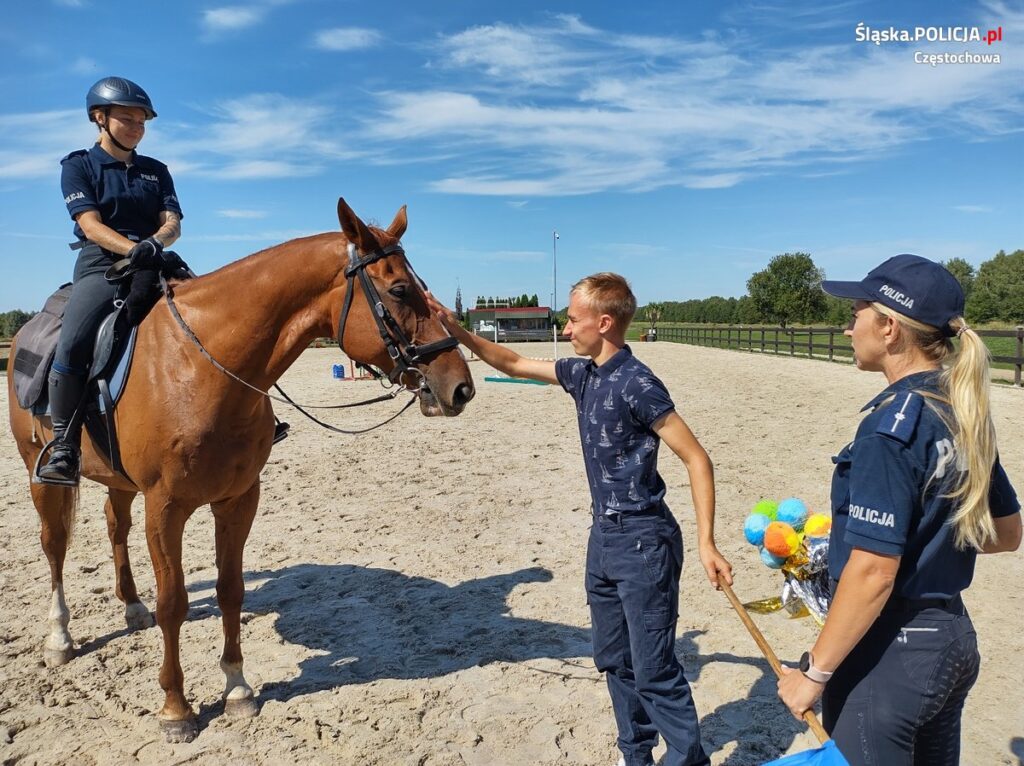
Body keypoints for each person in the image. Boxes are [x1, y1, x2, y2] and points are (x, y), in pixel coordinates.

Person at [429, 273, 732, 766]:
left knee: (654, 668)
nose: (565, 328)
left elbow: (697, 458)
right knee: (616, 660)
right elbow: (508, 360)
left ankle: (686, 760)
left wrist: (707, 543)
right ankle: (636, 755)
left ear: (605, 322)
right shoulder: (581, 374)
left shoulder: (639, 383)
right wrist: (453, 326)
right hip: (603, 539)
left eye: (572, 319)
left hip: (644, 541)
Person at [776, 254, 1021, 765]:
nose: (847, 328)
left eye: (857, 312)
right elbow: (1005, 533)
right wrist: (928, 532)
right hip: (951, 637)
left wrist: (813, 674)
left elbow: (872, 573)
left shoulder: (889, 431)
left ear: (889, 327)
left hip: (893, 653)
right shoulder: (959, 409)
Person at [38, 76, 184, 485]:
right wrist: (131, 249)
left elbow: (171, 223)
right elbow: (89, 224)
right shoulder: (78, 166)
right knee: (74, 339)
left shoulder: (157, 171)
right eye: (128, 119)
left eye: (142, 121)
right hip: (101, 265)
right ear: (99, 118)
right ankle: (64, 447)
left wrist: (155, 244)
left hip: (153, 259)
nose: (137, 127)